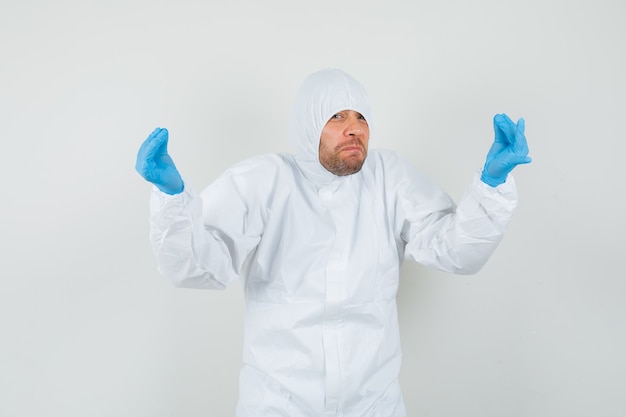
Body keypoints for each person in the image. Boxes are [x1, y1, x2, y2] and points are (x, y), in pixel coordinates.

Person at [135, 68, 531, 417]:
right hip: (278, 404)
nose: (354, 127)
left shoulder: (388, 178)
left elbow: (457, 251)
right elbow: (199, 268)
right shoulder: (264, 181)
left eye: (361, 117)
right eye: (336, 116)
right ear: (309, 125)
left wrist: (491, 186)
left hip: (374, 404)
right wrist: (172, 198)